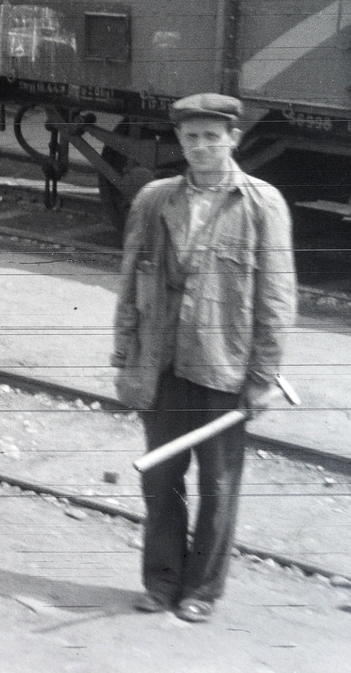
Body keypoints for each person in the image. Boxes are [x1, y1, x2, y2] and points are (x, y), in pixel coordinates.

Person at [111, 92, 294, 623]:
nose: (200, 146)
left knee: (217, 486)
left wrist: (262, 376)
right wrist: (124, 356)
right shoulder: (153, 200)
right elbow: (130, 281)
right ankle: (161, 582)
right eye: (190, 137)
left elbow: (278, 297)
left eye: (212, 136)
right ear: (179, 140)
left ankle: (202, 591)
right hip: (162, 362)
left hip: (224, 367)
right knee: (160, 481)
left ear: (233, 139)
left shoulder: (262, 204)